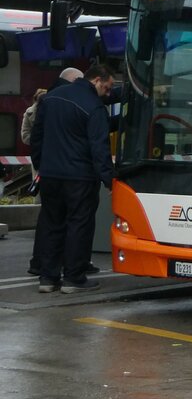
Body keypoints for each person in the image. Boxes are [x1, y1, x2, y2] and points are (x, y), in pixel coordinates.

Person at [29, 64, 115, 294]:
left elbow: (37, 136)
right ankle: (74, 278)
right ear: (97, 80)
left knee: (51, 224)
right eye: (107, 88)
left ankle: (47, 278)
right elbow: (99, 148)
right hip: (80, 177)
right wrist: (109, 180)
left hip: (50, 174)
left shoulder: (51, 98)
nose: (108, 94)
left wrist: (41, 166)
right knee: (79, 224)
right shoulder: (94, 107)